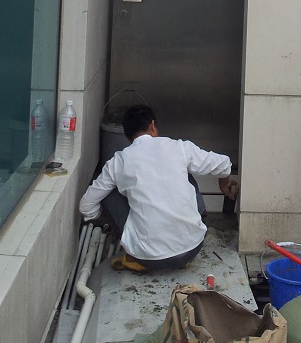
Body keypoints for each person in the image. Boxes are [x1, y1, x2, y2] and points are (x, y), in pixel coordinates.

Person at [79, 104, 238, 272]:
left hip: (147, 258)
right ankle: (180, 253)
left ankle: (134, 249)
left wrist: (113, 221)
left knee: (108, 193)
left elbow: (86, 206)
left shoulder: (119, 161)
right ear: (153, 126)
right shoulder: (179, 147)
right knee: (187, 173)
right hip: (192, 248)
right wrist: (224, 184)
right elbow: (223, 164)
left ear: (127, 136)